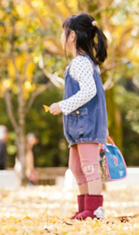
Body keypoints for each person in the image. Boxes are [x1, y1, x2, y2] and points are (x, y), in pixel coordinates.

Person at [49, 13, 108, 220]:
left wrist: (62, 105)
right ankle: (85, 207)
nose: (61, 37)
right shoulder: (81, 62)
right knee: (76, 167)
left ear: (72, 36)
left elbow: (89, 91)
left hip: (86, 125)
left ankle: (94, 210)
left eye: (63, 32)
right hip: (79, 126)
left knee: (90, 167)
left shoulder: (81, 62)